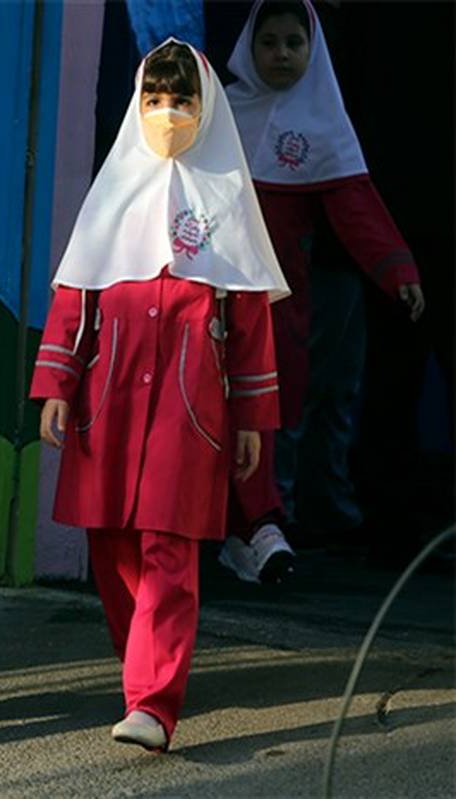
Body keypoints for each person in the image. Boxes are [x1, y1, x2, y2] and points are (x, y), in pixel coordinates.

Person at [31, 40, 287, 751]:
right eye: (154, 100)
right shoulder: (112, 194)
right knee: (113, 547)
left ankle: (153, 700)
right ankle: (141, 669)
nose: (167, 114)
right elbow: (74, 298)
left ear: (206, 111)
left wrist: (251, 419)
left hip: (189, 409)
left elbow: (249, 322)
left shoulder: (228, 200)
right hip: (107, 402)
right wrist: (56, 386)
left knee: (169, 549)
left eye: (182, 101)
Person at [219, 0, 424, 582]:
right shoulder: (222, 113)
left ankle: (260, 525)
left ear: (314, 50)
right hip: (215, 293)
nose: (281, 54)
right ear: (248, 48)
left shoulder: (322, 123)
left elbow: (355, 204)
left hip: (279, 301)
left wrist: (397, 270)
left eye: (294, 43)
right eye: (269, 43)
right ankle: (225, 526)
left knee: (272, 406)